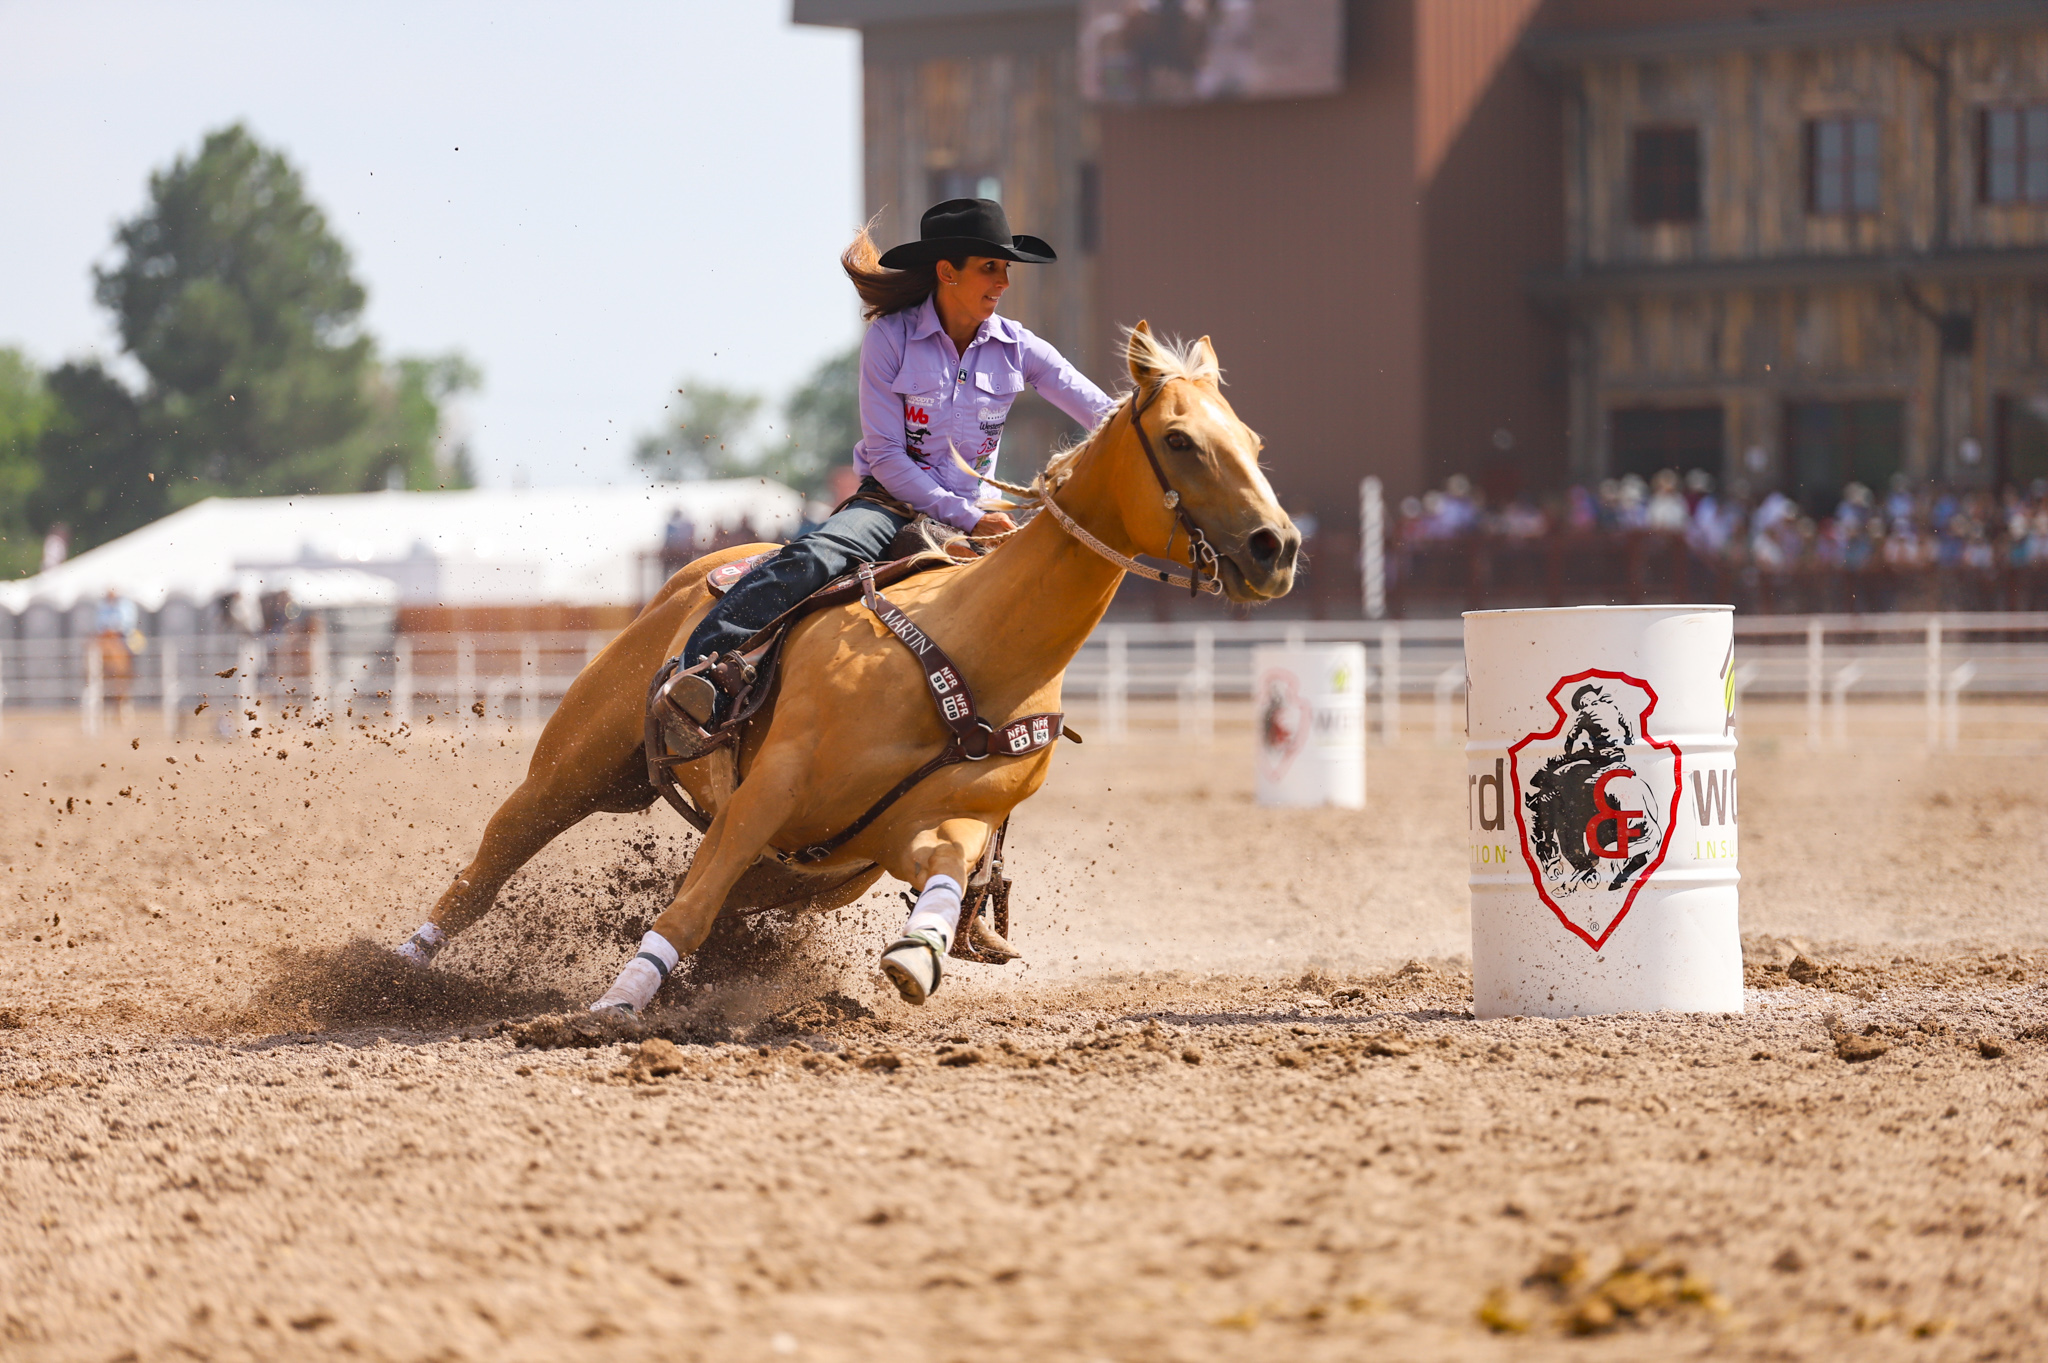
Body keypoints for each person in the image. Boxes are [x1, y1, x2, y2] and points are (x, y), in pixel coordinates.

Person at [666, 198, 1115, 727]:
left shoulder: (1020, 347)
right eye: (990, 267)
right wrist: (970, 518)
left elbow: (1105, 415)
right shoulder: (889, 338)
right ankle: (694, 677)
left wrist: (1163, 410)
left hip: (982, 518)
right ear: (947, 272)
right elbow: (885, 456)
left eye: (1006, 268)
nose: (1004, 282)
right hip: (890, 506)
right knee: (814, 557)